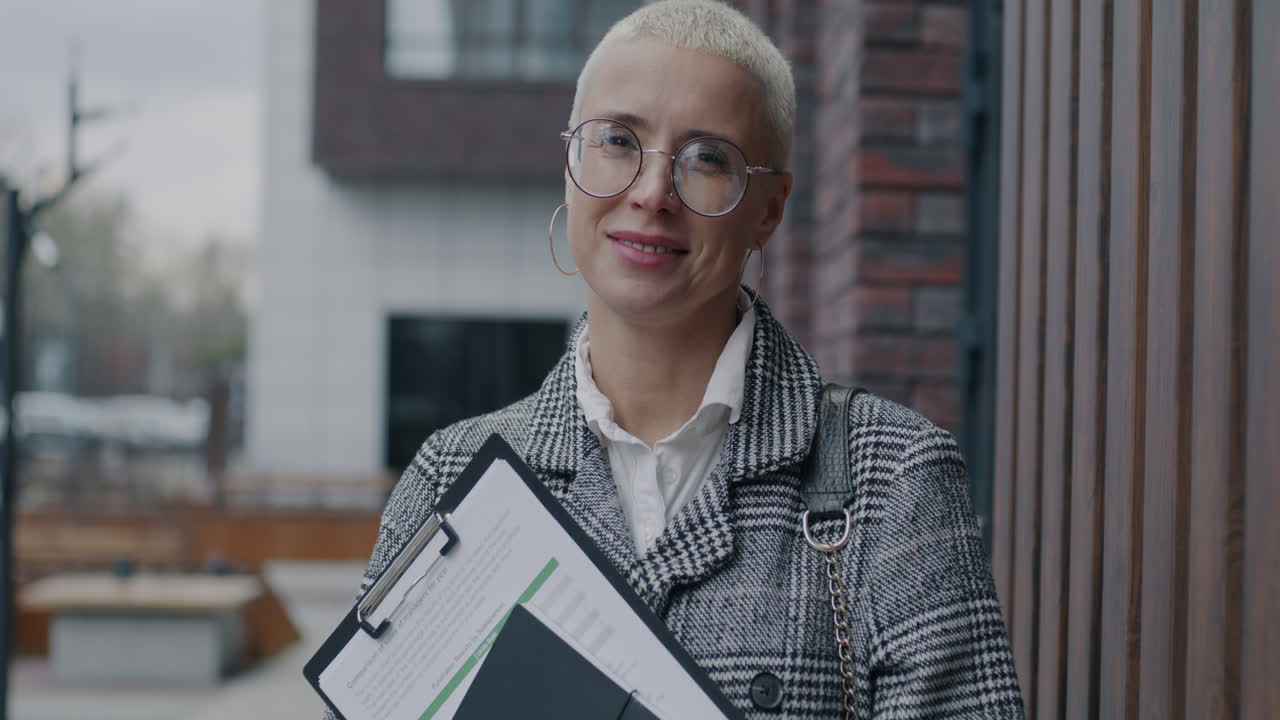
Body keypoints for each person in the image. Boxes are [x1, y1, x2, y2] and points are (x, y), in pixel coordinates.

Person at [344, 1, 1023, 717]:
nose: (650, 193)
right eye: (617, 139)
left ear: (769, 208)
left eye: (707, 159)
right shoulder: (454, 476)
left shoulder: (891, 480)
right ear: (571, 162)